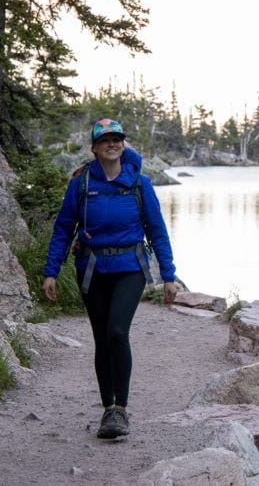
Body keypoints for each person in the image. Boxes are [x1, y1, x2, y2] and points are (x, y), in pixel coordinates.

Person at [42, 117, 178, 440]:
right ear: (95, 148)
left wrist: (169, 274)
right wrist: (51, 270)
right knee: (101, 339)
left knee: (117, 331)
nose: (112, 144)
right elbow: (63, 229)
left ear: (123, 144)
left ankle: (122, 408)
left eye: (117, 139)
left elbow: (157, 231)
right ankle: (108, 409)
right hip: (91, 269)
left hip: (130, 268)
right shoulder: (81, 184)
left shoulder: (139, 184)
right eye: (105, 140)